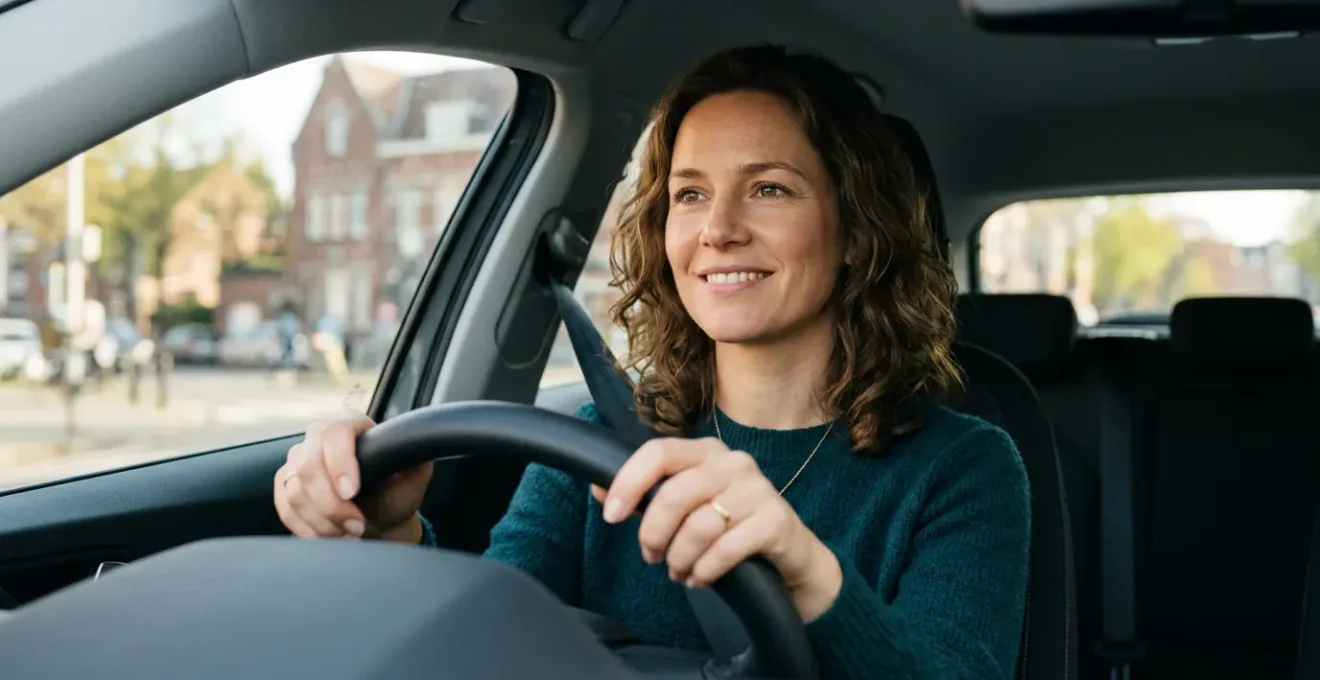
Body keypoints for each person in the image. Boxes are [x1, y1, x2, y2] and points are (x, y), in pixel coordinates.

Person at [274, 44, 1030, 679]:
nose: (719, 230)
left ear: (856, 230)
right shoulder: (594, 441)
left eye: (769, 188)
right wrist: (389, 531)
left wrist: (805, 572)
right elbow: (491, 637)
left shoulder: (964, 467)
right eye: (691, 194)